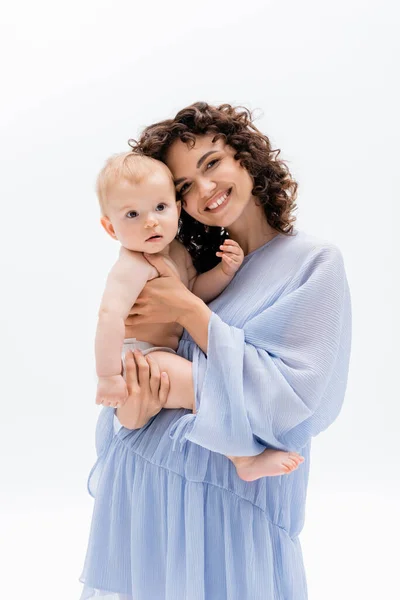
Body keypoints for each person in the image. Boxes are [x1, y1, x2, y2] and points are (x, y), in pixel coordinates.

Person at [79, 102, 352, 600]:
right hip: (149, 487)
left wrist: (189, 310)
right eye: (182, 188)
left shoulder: (314, 264)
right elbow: (133, 368)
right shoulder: (182, 262)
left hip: (229, 508)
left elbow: (293, 399)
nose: (204, 190)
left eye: (211, 164)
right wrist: (132, 407)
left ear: (245, 157)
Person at [94, 151, 303, 479]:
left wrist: (225, 272)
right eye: (132, 214)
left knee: (211, 385)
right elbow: (108, 317)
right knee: (208, 386)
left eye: (160, 208)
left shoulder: (176, 251)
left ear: (177, 210)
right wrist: (109, 377)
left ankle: (241, 450)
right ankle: (242, 459)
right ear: (111, 228)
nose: (150, 221)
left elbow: (192, 295)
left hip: (164, 356)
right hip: (144, 360)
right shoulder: (131, 266)